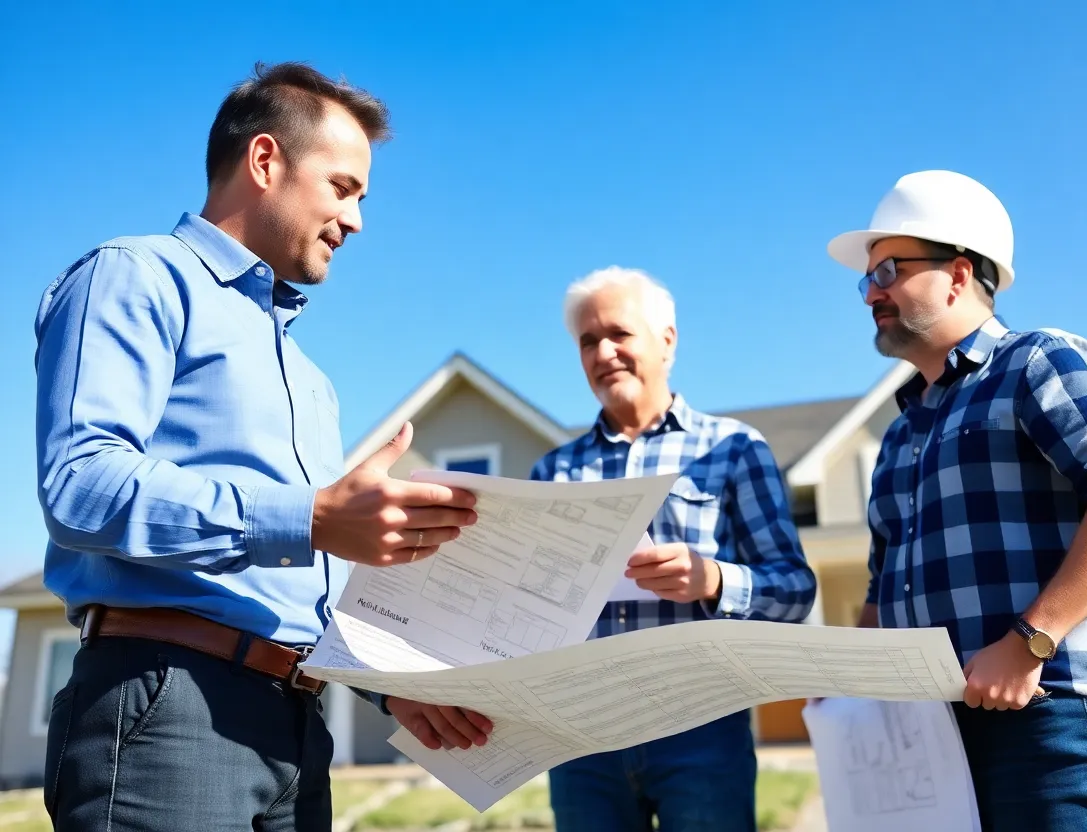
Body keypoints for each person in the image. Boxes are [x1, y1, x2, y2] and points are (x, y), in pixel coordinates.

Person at [34, 62, 492, 832]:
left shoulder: (312, 381)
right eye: (343, 188)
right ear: (266, 160)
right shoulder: (136, 276)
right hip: (167, 709)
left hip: (296, 731)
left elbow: (301, 581)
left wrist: (389, 685)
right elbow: (81, 485)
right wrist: (310, 517)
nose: (356, 220)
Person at [825, 169, 1087, 830]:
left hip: (1049, 709)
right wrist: (844, 684)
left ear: (958, 274)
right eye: (867, 278)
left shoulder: (1038, 360)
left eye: (889, 270)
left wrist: (1029, 641)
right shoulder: (899, 434)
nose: (871, 291)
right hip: (928, 735)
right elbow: (881, 590)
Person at [529, 266, 818, 832]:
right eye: (588, 341)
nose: (603, 352)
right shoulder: (552, 472)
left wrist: (714, 580)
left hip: (701, 728)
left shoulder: (735, 449)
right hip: (583, 737)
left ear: (667, 340)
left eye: (619, 333)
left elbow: (796, 590)